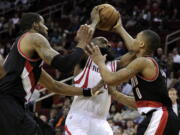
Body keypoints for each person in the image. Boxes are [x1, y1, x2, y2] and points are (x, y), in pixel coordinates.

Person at [0, 12, 101, 135]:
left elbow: (55, 86)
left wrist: (89, 91)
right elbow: (65, 65)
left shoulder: (27, 62)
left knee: (47, 131)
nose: (47, 28)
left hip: (12, 106)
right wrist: (82, 43)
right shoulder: (33, 37)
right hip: (8, 104)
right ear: (35, 25)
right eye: (43, 24)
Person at [87, 9, 179, 135]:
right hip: (166, 118)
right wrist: (119, 28)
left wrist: (99, 61)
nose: (132, 40)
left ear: (141, 43)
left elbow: (110, 78)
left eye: (136, 38)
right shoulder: (149, 64)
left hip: (160, 116)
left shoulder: (143, 62)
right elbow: (141, 103)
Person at [65, 37, 117, 135]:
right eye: (102, 41)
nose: (107, 44)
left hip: (101, 122)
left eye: (107, 43)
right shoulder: (84, 60)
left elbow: (133, 53)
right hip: (79, 118)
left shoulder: (112, 65)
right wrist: (95, 22)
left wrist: (119, 28)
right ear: (91, 44)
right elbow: (82, 46)